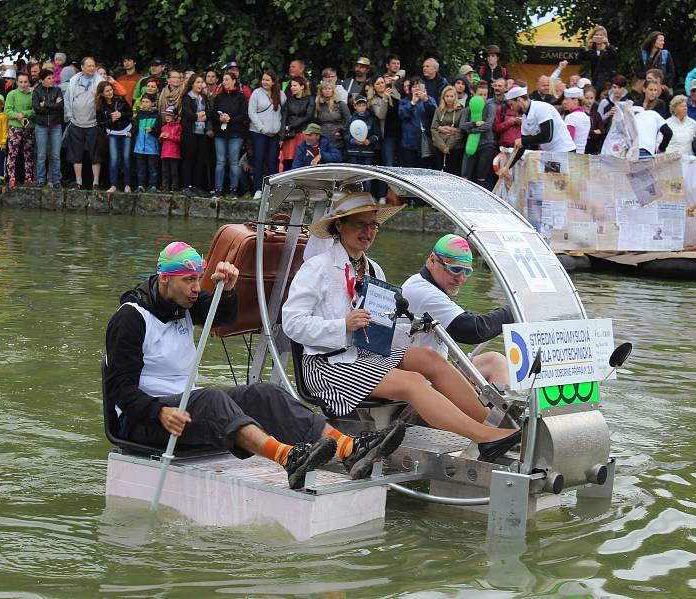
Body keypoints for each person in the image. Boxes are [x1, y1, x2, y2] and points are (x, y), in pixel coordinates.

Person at [104, 241, 405, 488]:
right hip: (146, 421)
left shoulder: (184, 301)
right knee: (211, 398)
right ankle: (288, 458)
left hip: (184, 407)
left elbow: (221, 316)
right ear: (165, 280)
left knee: (264, 393)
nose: (197, 288)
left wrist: (230, 288)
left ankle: (348, 449)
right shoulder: (131, 319)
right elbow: (119, 390)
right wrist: (160, 411)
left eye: (199, 279)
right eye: (188, 281)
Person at [282, 193, 521, 462]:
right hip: (328, 367)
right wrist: (343, 325)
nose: (368, 232)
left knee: (429, 357)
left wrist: (410, 330)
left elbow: (381, 325)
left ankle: (497, 427)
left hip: (366, 356)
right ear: (340, 225)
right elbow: (292, 323)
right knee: (414, 382)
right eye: (360, 224)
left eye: (373, 225)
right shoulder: (318, 268)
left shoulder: (373, 269)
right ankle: (484, 437)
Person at [401, 234, 512, 386]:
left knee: (495, 361)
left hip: (433, 373)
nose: (461, 278)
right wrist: (514, 309)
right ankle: (492, 410)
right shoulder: (424, 293)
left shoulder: (427, 284)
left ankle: (498, 409)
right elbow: (474, 330)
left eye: (467, 272)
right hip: (420, 381)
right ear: (432, 261)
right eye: (455, 269)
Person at [63, 57, 104, 189]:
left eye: (93, 65)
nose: (92, 68)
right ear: (82, 67)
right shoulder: (74, 80)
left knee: (95, 154)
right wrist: (69, 116)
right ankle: (78, 182)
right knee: (76, 154)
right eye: (89, 66)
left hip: (93, 123)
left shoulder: (100, 81)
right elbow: (68, 99)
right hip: (75, 122)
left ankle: (96, 182)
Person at [248, 70, 285, 200]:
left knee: (272, 162)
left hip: (274, 134)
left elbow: (283, 113)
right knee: (258, 160)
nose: (265, 82)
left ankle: (271, 189)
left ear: (274, 82)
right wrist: (262, 127)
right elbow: (251, 112)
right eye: (263, 79)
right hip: (258, 132)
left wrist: (280, 132)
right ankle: (258, 189)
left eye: (268, 80)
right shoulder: (256, 93)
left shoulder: (281, 95)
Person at [210, 71, 248, 198]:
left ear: (233, 81)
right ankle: (218, 189)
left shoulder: (240, 97)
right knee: (220, 161)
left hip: (235, 134)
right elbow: (213, 114)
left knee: (233, 162)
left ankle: (233, 190)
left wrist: (230, 118)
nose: (224, 82)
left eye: (227, 79)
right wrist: (220, 118)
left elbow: (244, 115)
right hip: (220, 134)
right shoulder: (219, 97)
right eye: (223, 80)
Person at [95, 80, 132, 193]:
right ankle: (114, 185)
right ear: (101, 93)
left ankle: (127, 185)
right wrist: (111, 120)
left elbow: (130, 113)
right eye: (107, 91)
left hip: (126, 131)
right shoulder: (100, 105)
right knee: (114, 159)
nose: (110, 92)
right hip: (112, 134)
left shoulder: (120, 99)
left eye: (111, 90)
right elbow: (100, 123)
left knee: (126, 159)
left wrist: (121, 114)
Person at [459, 81, 496, 189]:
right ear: (474, 94)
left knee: (482, 175)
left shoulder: (490, 107)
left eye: (485, 95)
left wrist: (471, 130)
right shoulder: (468, 109)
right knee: (465, 174)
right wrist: (474, 123)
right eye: (480, 94)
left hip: (486, 144)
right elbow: (462, 125)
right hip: (470, 145)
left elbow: (488, 126)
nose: (483, 97)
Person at [180, 74, 212, 197]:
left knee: (200, 160)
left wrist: (203, 115)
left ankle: (197, 186)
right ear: (192, 84)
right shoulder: (187, 98)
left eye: (201, 82)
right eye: (197, 82)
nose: (200, 85)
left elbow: (209, 113)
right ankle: (186, 186)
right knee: (189, 160)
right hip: (189, 133)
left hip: (201, 133)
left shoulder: (203, 97)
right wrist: (198, 116)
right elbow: (188, 114)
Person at [32, 69, 64, 188]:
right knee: (41, 154)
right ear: (42, 80)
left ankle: (56, 180)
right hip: (41, 126)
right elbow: (37, 109)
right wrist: (53, 104)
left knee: (55, 155)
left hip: (55, 125)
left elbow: (60, 107)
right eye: (49, 78)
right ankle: (40, 179)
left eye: (52, 77)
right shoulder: (36, 91)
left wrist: (45, 104)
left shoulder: (58, 90)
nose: (52, 80)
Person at [4, 72, 36, 188]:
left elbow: (34, 110)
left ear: (29, 83)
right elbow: (7, 110)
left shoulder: (33, 94)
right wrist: (17, 116)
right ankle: (11, 177)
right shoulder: (12, 94)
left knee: (28, 153)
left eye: (25, 82)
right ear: (17, 83)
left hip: (29, 127)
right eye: (21, 82)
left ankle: (28, 177)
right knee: (12, 153)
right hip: (15, 127)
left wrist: (23, 113)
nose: (23, 84)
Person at [398, 77, 437, 169]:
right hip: (409, 143)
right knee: (409, 170)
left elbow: (435, 113)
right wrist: (412, 103)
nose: (417, 89)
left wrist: (426, 100)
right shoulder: (404, 101)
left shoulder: (429, 100)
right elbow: (402, 114)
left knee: (424, 169)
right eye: (414, 87)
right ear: (410, 89)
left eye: (419, 86)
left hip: (425, 142)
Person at [280, 76, 314, 172]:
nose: (292, 87)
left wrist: (290, 126)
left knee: (302, 161)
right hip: (289, 135)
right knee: (288, 162)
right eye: (291, 85)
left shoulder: (310, 99)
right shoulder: (289, 100)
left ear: (302, 87)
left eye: (295, 85)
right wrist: (282, 135)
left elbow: (308, 117)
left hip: (302, 133)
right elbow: (284, 117)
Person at [431, 85, 464, 176]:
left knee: (453, 173)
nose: (449, 99)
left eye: (451, 96)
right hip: (439, 147)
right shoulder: (438, 110)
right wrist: (442, 147)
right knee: (440, 172)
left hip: (455, 148)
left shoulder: (461, 110)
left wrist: (448, 146)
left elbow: (460, 131)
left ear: (455, 97)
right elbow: (433, 128)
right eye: (447, 96)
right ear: (443, 97)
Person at [343, 96, 380, 173]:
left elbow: (377, 134)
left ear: (367, 106)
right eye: (359, 105)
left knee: (366, 177)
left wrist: (369, 141)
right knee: (354, 175)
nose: (361, 107)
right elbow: (345, 133)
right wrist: (353, 141)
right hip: (353, 152)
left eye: (363, 105)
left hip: (368, 152)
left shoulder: (372, 119)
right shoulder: (350, 119)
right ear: (355, 106)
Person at [132, 92, 161, 192]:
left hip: (152, 148)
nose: (144, 104)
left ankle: (153, 185)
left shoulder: (157, 116)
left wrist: (152, 130)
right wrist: (130, 133)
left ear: (153, 103)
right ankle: (141, 185)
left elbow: (159, 131)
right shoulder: (139, 115)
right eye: (143, 102)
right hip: (140, 147)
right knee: (140, 169)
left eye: (147, 102)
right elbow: (134, 128)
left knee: (153, 168)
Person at [578, 27, 617, 92]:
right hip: (593, 79)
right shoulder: (590, 50)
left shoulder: (610, 49)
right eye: (597, 35)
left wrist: (607, 45)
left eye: (601, 35)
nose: (599, 37)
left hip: (607, 80)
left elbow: (615, 58)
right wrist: (587, 47)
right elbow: (581, 59)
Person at [315, 80, 349, 152]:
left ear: (333, 90)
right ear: (321, 91)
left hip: (338, 137)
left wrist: (341, 131)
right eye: (325, 89)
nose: (327, 91)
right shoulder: (318, 105)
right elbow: (316, 122)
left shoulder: (340, 104)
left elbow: (348, 120)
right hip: (323, 137)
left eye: (329, 89)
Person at [158, 104, 182, 192]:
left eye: (170, 115)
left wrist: (169, 136)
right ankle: (165, 187)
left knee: (174, 172)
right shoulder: (164, 127)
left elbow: (180, 139)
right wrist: (161, 137)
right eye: (166, 115)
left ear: (175, 116)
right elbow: (160, 141)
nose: (167, 117)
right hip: (165, 154)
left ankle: (174, 188)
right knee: (165, 171)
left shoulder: (178, 126)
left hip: (175, 154)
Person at [562, 87, 591, 153]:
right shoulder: (586, 116)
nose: (565, 102)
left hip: (571, 157)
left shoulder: (571, 117)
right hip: (581, 154)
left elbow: (568, 141)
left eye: (567, 99)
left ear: (575, 100)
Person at [583, 87, 605, 154]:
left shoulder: (596, 114)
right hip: (582, 144)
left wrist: (591, 132)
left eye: (592, 98)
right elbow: (583, 131)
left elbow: (602, 131)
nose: (589, 101)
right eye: (587, 98)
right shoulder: (580, 113)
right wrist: (594, 132)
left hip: (593, 146)